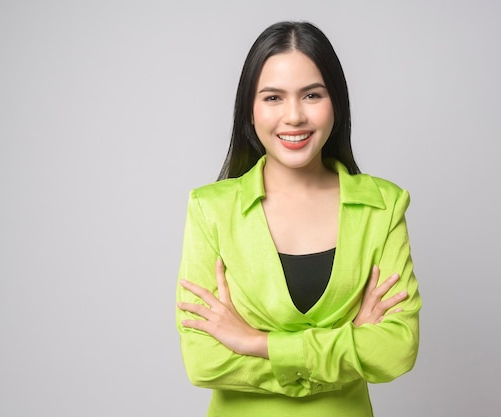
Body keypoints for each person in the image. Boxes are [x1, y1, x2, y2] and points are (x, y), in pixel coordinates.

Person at [175, 20, 421, 417]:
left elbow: (396, 350)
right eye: (272, 98)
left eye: (311, 95)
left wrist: (256, 342)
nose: (294, 116)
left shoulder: (383, 206)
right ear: (249, 111)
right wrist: (350, 341)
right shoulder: (211, 210)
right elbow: (203, 361)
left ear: (335, 103)